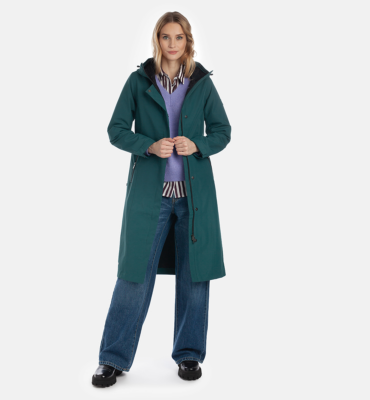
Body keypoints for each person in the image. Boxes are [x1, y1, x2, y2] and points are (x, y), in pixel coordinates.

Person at [92, 11, 232, 388]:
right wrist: (148, 145)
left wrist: (197, 145)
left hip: (194, 197)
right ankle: (112, 359)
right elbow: (116, 130)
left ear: (188, 41)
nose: (172, 44)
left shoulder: (202, 83)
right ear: (157, 39)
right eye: (166, 37)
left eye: (179, 37)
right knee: (133, 275)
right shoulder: (138, 82)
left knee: (194, 276)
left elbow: (223, 131)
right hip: (149, 197)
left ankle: (189, 355)